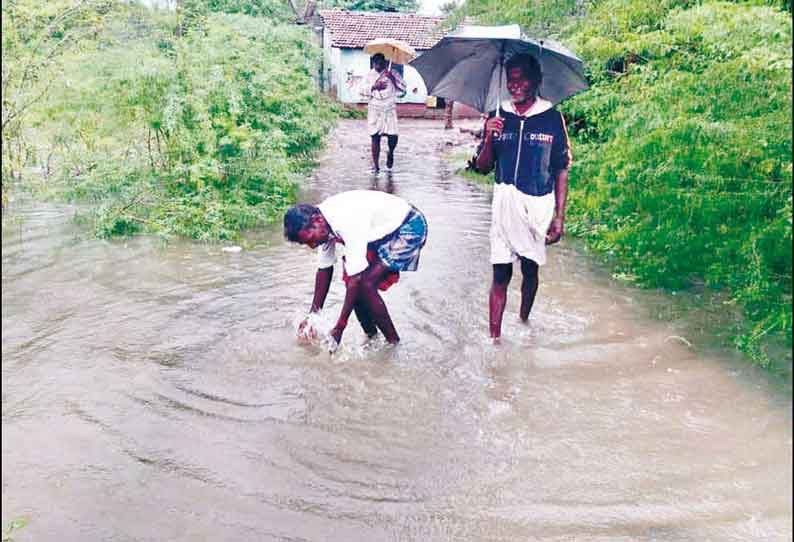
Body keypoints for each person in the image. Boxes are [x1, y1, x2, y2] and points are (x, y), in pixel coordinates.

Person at [474, 53, 572, 340]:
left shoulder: (552, 118)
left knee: (530, 270)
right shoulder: (497, 115)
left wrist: (560, 217)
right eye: (511, 80)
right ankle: (494, 340)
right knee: (500, 274)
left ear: (536, 81)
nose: (515, 85)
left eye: (522, 79)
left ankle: (524, 320)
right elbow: (482, 166)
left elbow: (561, 168)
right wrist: (489, 136)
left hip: (537, 205)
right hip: (503, 202)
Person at [284, 190, 427, 348]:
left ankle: (393, 344)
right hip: (379, 234)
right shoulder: (321, 222)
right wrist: (312, 317)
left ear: (317, 220)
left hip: (408, 225)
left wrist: (339, 327)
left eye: (310, 239)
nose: (312, 246)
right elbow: (324, 270)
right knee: (354, 285)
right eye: (306, 243)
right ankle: (372, 338)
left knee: (365, 284)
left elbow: (357, 279)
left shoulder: (344, 220)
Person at [360, 53, 406, 172]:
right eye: (376, 63)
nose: (379, 65)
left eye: (381, 62)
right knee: (375, 137)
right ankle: (376, 165)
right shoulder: (369, 75)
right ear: (373, 63)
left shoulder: (393, 73)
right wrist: (374, 86)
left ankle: (390, 152)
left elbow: (403, 90)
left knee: (393, 136)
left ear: (385, 62)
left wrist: (392, 79)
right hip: (375, 109)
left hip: (389, 108)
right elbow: (361, 90)